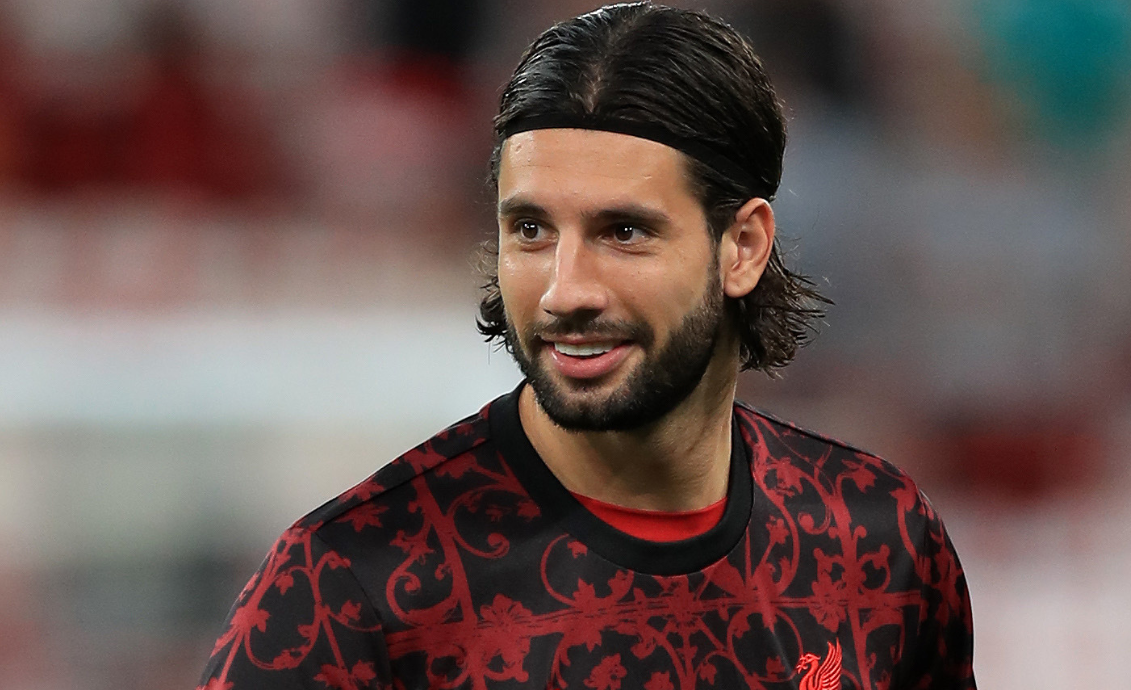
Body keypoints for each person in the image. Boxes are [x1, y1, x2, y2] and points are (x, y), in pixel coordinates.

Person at [196, 4, 975, 689]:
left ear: (741, 248)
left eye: (624, 232)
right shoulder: (350, 584)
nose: (565, 291)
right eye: (531, 230)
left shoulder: (880, 541)